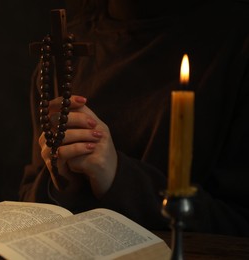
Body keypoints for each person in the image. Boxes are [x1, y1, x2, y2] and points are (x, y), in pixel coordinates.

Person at [19, 0, 249, 236]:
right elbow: (29, 196)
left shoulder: (235, 44)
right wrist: (62, 182)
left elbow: (238, 222)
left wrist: (118, 177)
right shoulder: (62, 49)